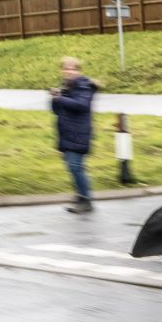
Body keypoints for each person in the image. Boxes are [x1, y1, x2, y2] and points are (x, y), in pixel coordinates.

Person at [50, 56, 97, 214]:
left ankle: (86, 200)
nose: (69, 71)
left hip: (79, 133)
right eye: (66, 68)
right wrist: (55, 99)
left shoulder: (84, 86)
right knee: (74, 167)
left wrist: (60, 98)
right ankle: (81, 197)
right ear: (61, 70)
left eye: (72, 68)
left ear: (78, 71)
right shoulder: (67, 87)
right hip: (68, 133)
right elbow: (57, 110)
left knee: (76, 167)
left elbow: (81, 105)